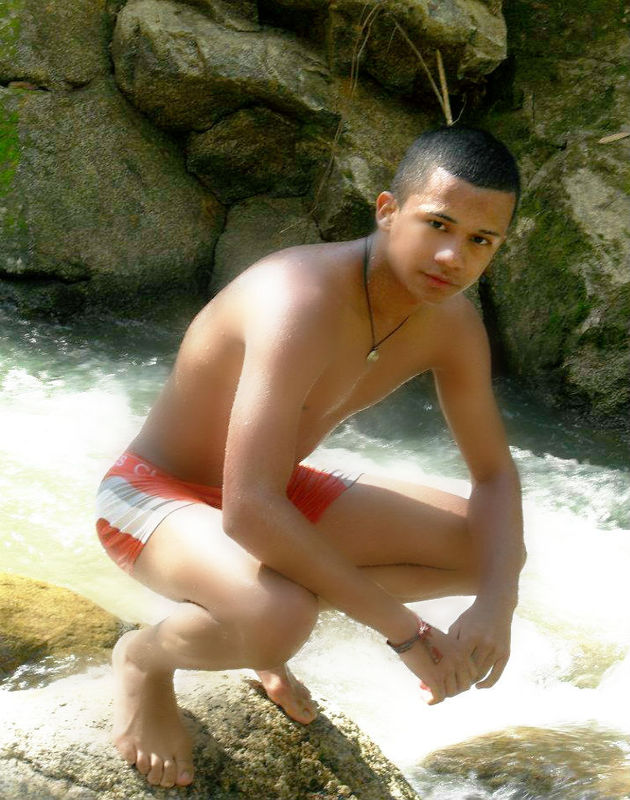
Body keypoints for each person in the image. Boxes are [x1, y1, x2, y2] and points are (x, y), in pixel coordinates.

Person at [95, 125, 526, 789]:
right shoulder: (298, 295)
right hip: (156, 494)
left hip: (272, 488)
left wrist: (498, 602)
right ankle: (144, 660)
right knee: (280, 615)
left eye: (480, 240)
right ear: (387, 210)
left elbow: (494, 475)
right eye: (438, 224)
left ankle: (255, 627)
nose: (452, 256)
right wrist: (407, 633)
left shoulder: (453, 325)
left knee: (486, 549)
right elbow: (248, 510)